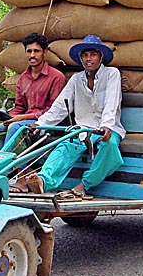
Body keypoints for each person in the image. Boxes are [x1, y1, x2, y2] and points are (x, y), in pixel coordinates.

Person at [24, 34, 125, 197]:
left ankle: (85, 185)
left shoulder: (112, 74)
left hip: (108, 128)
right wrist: (40, 123)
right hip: (83, 129)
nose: (88, 59)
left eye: (93, 54)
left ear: (101, 57)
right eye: (85, 55)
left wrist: (106, 126)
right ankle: (43, 180)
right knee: (65, 146)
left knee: (110, 147)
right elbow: (60, 106)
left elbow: (112, 102)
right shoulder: (76, 79)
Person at [0, 33, 66, 160]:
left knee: (15, 128)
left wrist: (21, 118)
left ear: (45, 52)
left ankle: (15, 169)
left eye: (36, 51)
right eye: (29, 51)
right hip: (24, 121)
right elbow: (20, 106)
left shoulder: (56, 77)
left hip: (44, 124)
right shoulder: (23, 78)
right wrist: (10, 116)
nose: (32, 55)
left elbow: (53, 111)